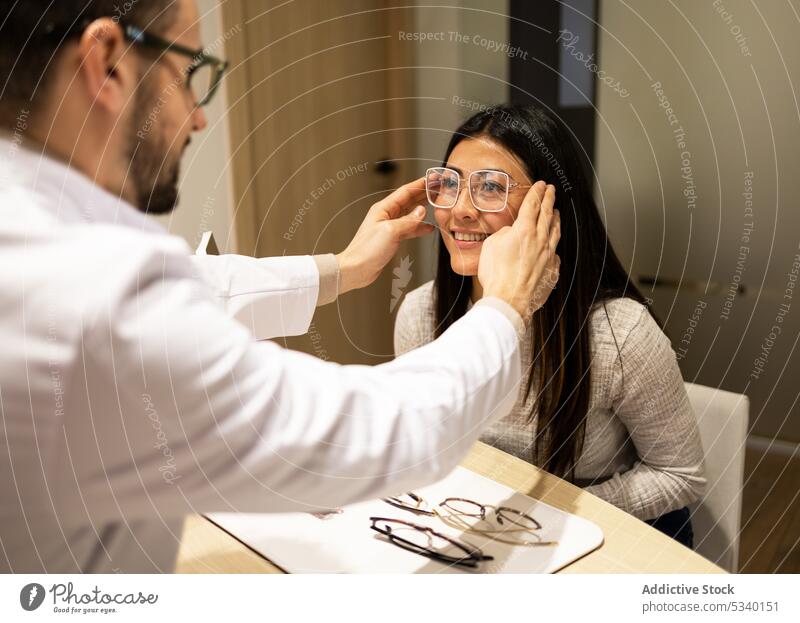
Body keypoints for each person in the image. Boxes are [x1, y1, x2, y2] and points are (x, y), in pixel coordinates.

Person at [0, 2, 560, 572]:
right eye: (190, 71)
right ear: (108, 62)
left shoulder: (39, 242)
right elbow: (363, 436)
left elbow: (203, 285)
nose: (197, 117)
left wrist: (343, 268)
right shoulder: (85, 289)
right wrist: (505, 308)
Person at [394, 105, 705, 548]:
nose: (459, 210)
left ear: (551, 211)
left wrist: (541, 514)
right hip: (481, 525)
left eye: (489, 188)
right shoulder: (421, 313)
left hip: (597, 534)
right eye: (449, 184)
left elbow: (680, 476)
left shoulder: (619, 333)